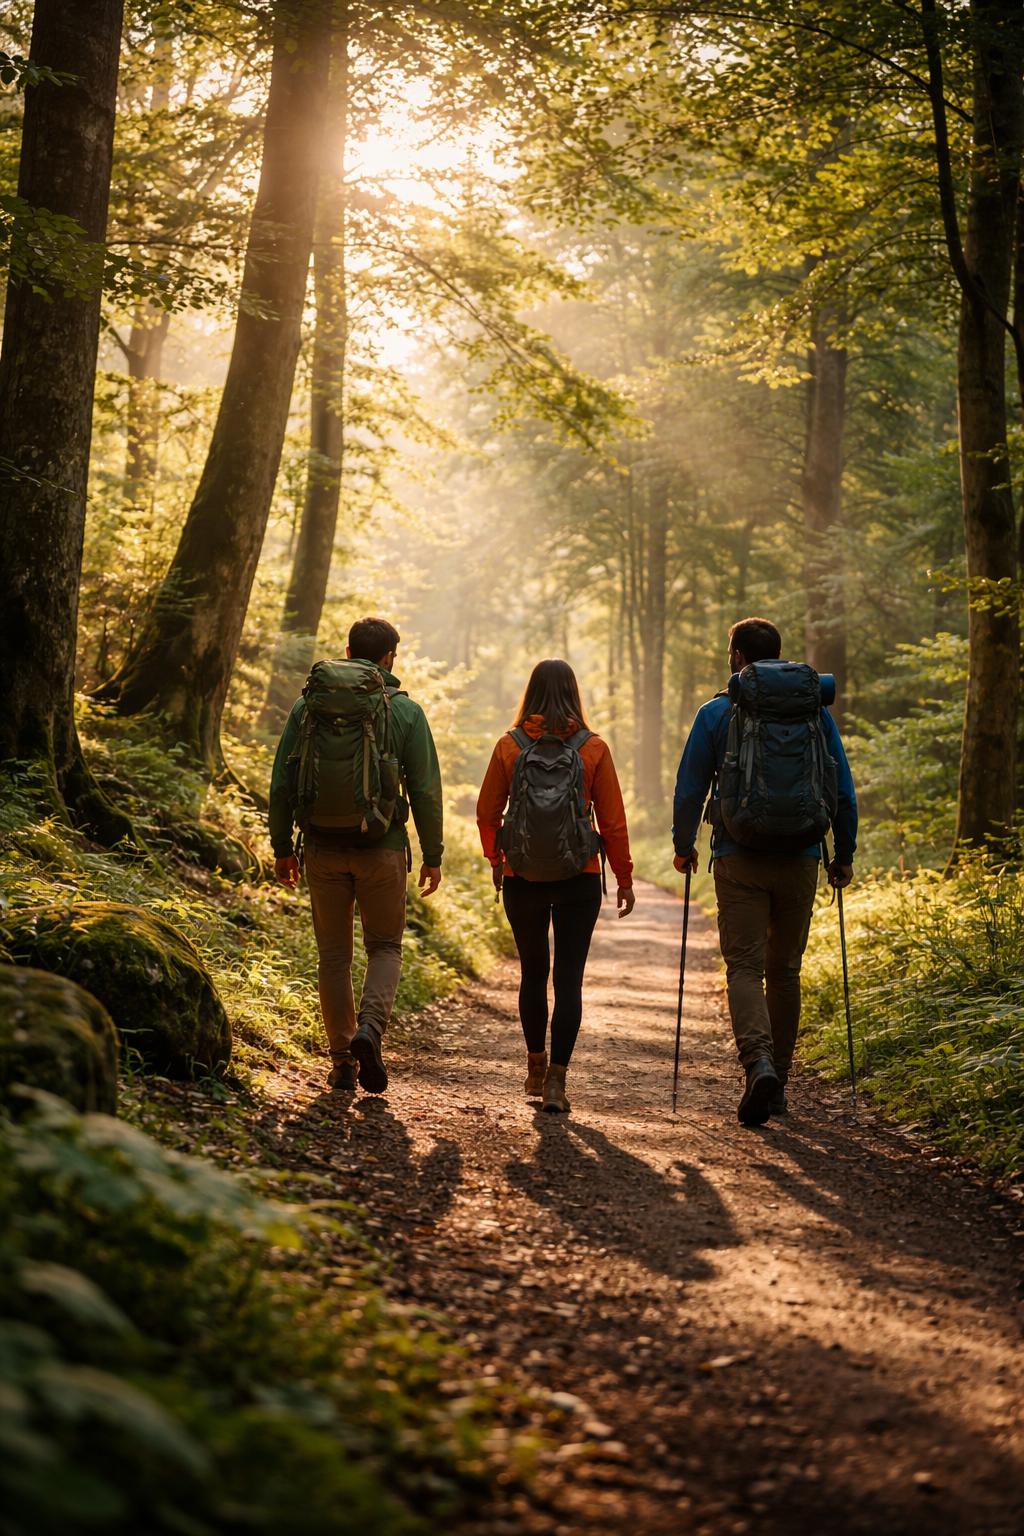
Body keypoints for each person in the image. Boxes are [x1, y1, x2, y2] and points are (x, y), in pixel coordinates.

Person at [672, 617, 857, 1126]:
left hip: (739, 855)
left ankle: (759, 1064)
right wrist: (844, 853)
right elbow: (840, 788)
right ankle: (780, 1084)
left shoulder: (717, 713)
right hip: (802, 855)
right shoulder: (816, 714)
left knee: (745, 968)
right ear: (779, 654)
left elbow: (690, 787)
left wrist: (683, 845)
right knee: (786, 970)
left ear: (736, 658)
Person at [269, 617, 444, 1095]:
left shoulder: (308, 708)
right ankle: (370, 1028)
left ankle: (343, 1062)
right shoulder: (405, 712)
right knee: (384, 948)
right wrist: (433, 854)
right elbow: (426, 790)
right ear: (390, 658)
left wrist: (282, 847)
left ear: (347, 652)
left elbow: (283, 781)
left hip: (322, 849)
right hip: (382, 849)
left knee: (333, 956)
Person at [477, 658, 635, 1113]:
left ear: (530, 693)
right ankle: (558, 1083)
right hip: (579, 876)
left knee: (533, 972)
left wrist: (496, 857)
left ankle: (534, 1064)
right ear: (574, 693)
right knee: (569, 980)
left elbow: (487, 813)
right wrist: (623, 876)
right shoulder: (593, 748)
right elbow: (613, 821)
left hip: (521, 875)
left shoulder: (510, 745)